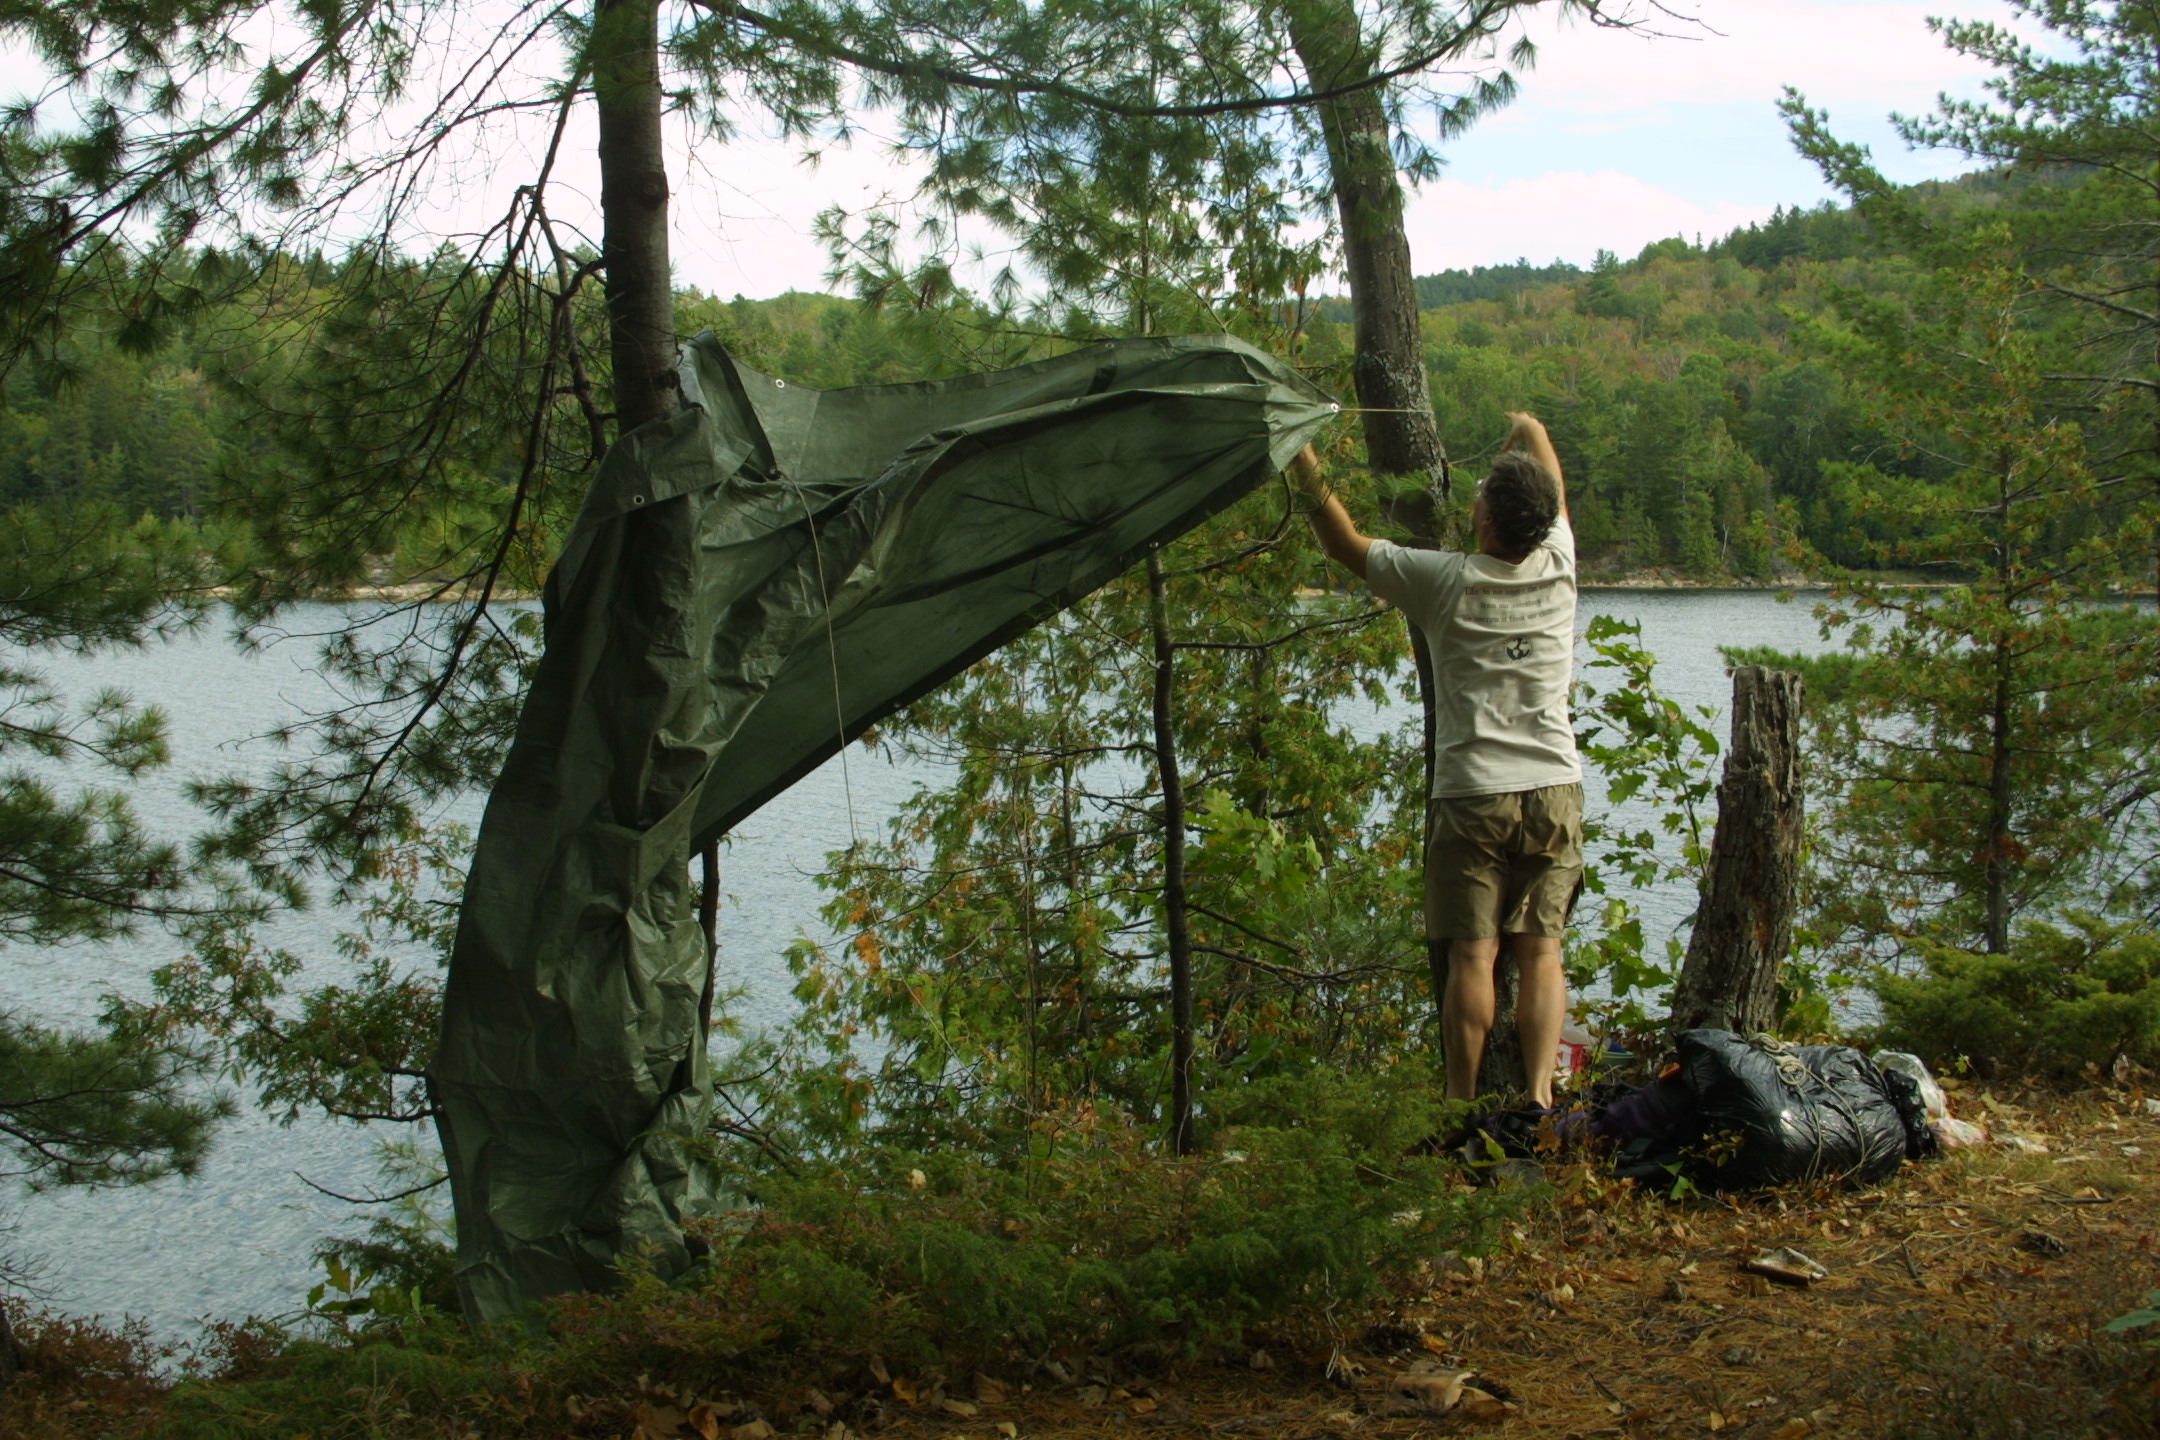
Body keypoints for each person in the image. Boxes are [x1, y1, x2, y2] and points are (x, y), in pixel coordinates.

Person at [1290, 413, 1582, 1107]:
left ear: (1486, 521)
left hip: (1473, 792)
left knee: (1473, 954)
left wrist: (1297, 450)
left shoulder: (1443, 581)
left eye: (1480, 499)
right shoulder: (1560, 562)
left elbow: (1342, 542)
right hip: (1554, 787)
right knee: (1542, 951)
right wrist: (1533, 428)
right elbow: (1555, 488)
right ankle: (1538, 1102)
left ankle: (1460, 1105)